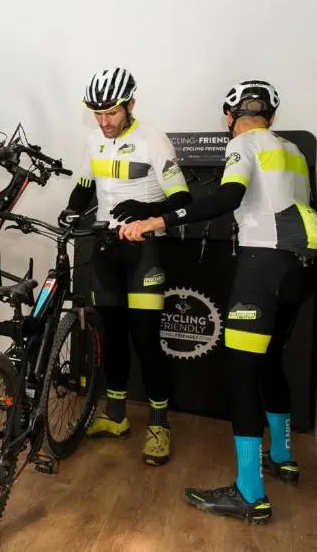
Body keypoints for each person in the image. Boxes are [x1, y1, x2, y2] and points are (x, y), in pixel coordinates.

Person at [121, 80, 317, 524]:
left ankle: (250, 494)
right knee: (270, 360)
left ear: (229, 117)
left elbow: (228, 197)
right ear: (272, 115)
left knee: (241, 373)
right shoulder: (292, 150)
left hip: (264, 265)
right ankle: (282, 457)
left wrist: (158, 220)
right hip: (303, 267)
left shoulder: (243, 144)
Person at [58, 68, 191, 466]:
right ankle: (116, 415)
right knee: (112, 336)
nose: (104, 121)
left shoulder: (153, 139)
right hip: (105, 248)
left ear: (131, 104)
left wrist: (146, 209)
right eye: (97, 113)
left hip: (143, 250)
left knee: (146, 339)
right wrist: (71, 209)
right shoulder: (93, 140)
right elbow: (85, 187)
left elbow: (181, 197)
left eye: (112, 112)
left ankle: (159, 423)